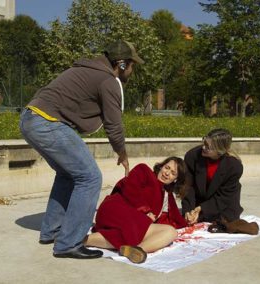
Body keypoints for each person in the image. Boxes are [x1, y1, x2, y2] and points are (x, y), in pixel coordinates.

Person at [19, 40, 144, 259]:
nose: (133, 71)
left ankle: (53, 231)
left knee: (68, 175)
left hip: (31, 118)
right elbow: (113, 124)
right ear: (122, 64)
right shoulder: (108, 80)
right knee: (90, 178)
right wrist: (122, 153)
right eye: (132, 65)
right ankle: (69, 242)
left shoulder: (86, 69)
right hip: (48, 122)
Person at [84, 157, 189, 264]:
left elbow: (173, 219)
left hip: (133, 224)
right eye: (167, 168)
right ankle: (132, 245)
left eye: (172, 173)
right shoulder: (144, 170)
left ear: (176, 179)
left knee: (170, 232)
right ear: (161, 166)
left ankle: (135, 249)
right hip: (116, 209)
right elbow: (130, 187)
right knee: (136, 230)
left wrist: (189, 220)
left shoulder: (167, 196)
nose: (167, 173)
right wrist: (145, 211)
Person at [182, 128, 243, 225]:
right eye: (204, 143)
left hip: (223, 203)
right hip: (199, 200)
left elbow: (224, 196)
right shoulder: (192, 156)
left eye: (208, 147)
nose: (203, 148)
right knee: (187, 219)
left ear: (220, 151)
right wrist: (188, 210)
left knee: (225, 222)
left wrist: (202, 209)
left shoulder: (234, 166)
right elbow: (188, 185)